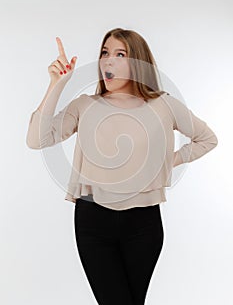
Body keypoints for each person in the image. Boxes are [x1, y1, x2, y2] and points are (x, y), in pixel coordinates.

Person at [26, 28, 218, 305]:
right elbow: (37, 139)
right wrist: (56, 84)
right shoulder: (85, 106)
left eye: (120, 54)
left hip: (143, 224)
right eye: (104, 53)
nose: (108, 61)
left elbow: (207, 139)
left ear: (137, 62)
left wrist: (166, 162)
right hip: (93, 221)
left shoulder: (163, 104)